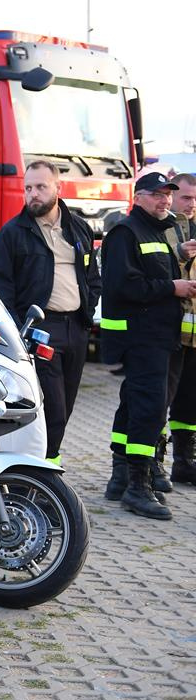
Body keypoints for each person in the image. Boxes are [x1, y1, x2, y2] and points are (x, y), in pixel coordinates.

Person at [0, 160, 100, 465]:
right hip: (40, 330)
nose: (33, 194)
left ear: (58, 188)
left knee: (68, 403)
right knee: (53, 409)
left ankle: (47, 468)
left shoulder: (79, 228)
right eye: (28, 188)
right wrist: (18, 329)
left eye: (40, 187)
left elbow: (92, 277)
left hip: (76, 328)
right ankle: (45, 472)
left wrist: (87, 313)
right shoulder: (13, 233)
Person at [101, 172, 196, 519]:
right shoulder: (125, 233)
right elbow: (124, 286)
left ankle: (120, 477)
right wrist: (173, 287)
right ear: (138, 197)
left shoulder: (162, 231)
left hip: (162, 336)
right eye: (157, 194)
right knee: (150, 410)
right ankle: (138, 487)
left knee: (135, 404)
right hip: (141, 338)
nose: (164, 200)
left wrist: (179, 262)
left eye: (167, 195)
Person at [167, 173, 196, 485]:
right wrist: (179, 253)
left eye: (195, 199)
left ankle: (185, 462)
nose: (191, 204)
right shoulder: (162, 228)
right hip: (170, 332)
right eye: (186, 198)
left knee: (190, 401)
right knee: (160, 400)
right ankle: (152, 464)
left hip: (193, 335)